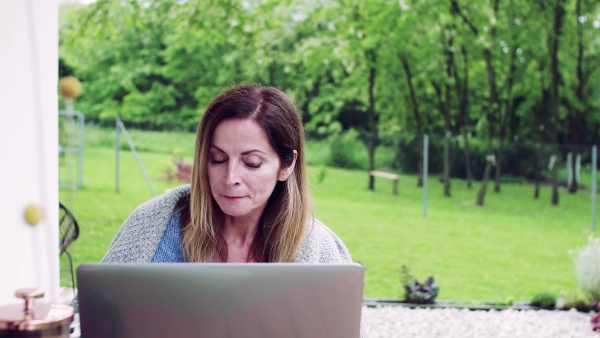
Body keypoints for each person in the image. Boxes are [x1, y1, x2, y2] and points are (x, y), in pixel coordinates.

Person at [102, 84, 353, 265]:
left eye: (252, 163)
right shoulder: (152, 226)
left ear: (287, 166)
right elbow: (92, 317)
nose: (230, 177)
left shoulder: (320, 251)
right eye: (217, 159)